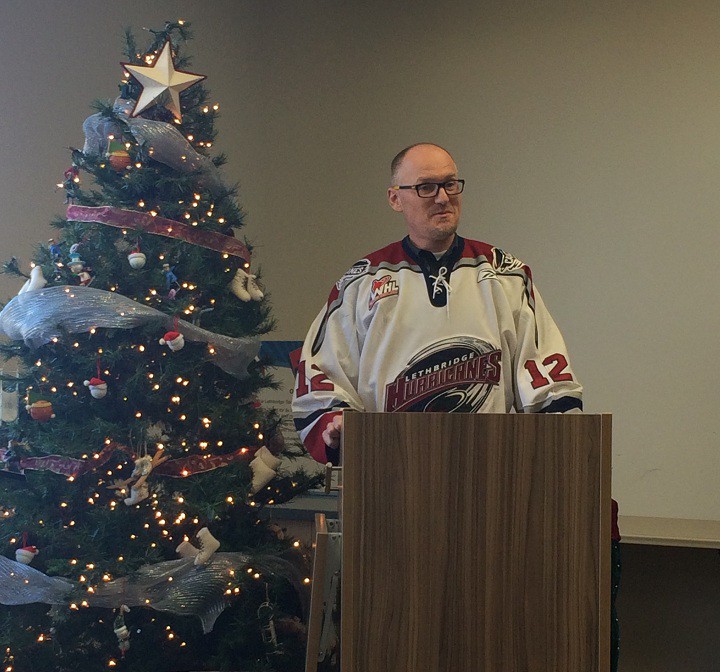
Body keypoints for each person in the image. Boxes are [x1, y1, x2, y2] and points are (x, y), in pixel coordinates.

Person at [292, 142, 583, 464]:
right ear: (395, 198)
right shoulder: (361, 283)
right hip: (389, 473)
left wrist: (561, 442)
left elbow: (546, 375)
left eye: (449, 184)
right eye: (426, 187)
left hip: (489, 469)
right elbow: (322, 376)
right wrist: (337, 423)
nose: (443, 197)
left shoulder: (505, 274)